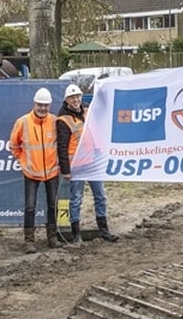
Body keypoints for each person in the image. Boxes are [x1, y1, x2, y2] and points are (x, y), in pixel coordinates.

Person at [54, 83, 116, 244]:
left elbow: (103, 114)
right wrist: (65, 169)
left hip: (93, 162)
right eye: (72, 97)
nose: (75, 100)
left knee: (100, 196)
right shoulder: (63, 120)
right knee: (76, 199)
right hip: (77, 166)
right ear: (66, 100)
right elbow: (61, 146)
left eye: (77, 96)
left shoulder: (88, 111)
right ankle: (76, 234)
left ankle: (104, 230)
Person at [10, 87, 65, 251]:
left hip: (52, 172)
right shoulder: (23, 122)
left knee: (52, 205)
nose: (43, 108)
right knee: (30, 207)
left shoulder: (55, 121)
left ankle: (52, 237)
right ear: (34, 104)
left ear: (50, 105)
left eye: (46, 105)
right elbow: (14, 145)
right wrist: (24, 162)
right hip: (31, 173)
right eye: (40, 105)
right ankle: (29, 241)